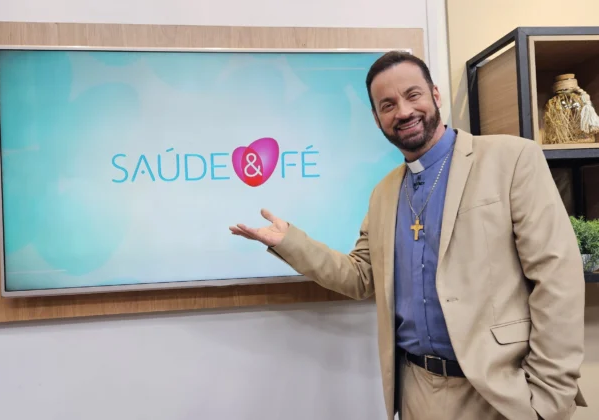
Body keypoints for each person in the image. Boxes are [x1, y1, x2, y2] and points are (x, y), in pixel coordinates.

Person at [229, 51, 587, 420]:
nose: (403, 111)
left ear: (435, 94)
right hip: (416, 390)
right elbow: (361, 276)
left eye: (412, 95)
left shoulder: (510, 159)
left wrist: (549, 394)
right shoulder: (384, 193)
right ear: (376, 118)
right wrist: (290, 242)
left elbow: (557, 275)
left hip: (499, 393)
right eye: (388, 105)